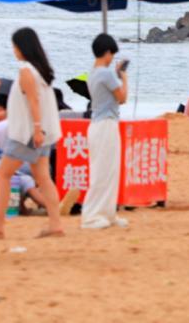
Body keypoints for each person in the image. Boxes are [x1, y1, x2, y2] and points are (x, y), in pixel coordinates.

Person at [0, 28, 64, 239]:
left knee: (3, 174)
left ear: (22, 48)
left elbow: (33, 101)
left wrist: (36, 129)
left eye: (15, 46)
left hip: (27, 134)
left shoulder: (27, 71)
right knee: (43, 177)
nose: (14, 50)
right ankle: (55, 224)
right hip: (39, 133)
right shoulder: (40, 71)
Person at [81, 33, 130, 230]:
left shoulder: (93, 73)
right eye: (112, 54)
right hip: (106, 124)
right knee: (103, 172)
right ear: (107, 52)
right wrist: (123, 78)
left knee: (107, 171)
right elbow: (122, 97)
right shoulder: (105, 74)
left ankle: (107, 213)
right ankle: (91, 216)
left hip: (98, 124)